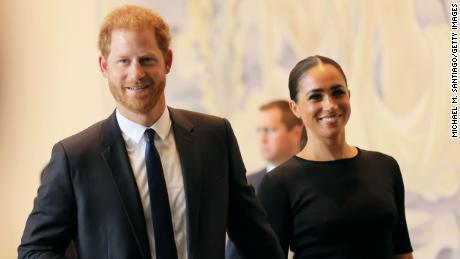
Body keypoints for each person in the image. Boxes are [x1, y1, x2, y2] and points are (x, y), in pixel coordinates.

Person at [18, 5, 284, 259]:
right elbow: (34, 250)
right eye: (123, 61)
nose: (136, 73)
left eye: (146, 59)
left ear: (167, 61)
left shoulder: (215, 137)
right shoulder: (74, 156)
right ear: (104, 67)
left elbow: (255, 238)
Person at [257, 55, 414, 259]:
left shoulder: (385, 167)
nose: (330, 105)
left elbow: (402, 251)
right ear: (295, 108)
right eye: (315, 96)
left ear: (348, 96)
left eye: (337, 92)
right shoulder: (278, 183)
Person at [226, 100, 304, 259]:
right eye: (259, 131)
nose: (262, 139)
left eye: (270, 130)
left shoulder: (313, 182)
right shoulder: (245, 184)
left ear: (296, 133)